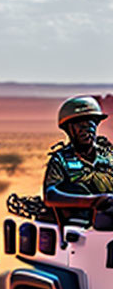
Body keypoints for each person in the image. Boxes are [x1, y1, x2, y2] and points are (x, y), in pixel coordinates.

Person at [43, 96, 113, 224]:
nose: (86, 130)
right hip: (80, 226)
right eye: (80, 126)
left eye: (90, 124)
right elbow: (50, 195)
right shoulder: (61, 160)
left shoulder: (109, 156)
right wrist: (93, 201)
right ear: (68, 130)